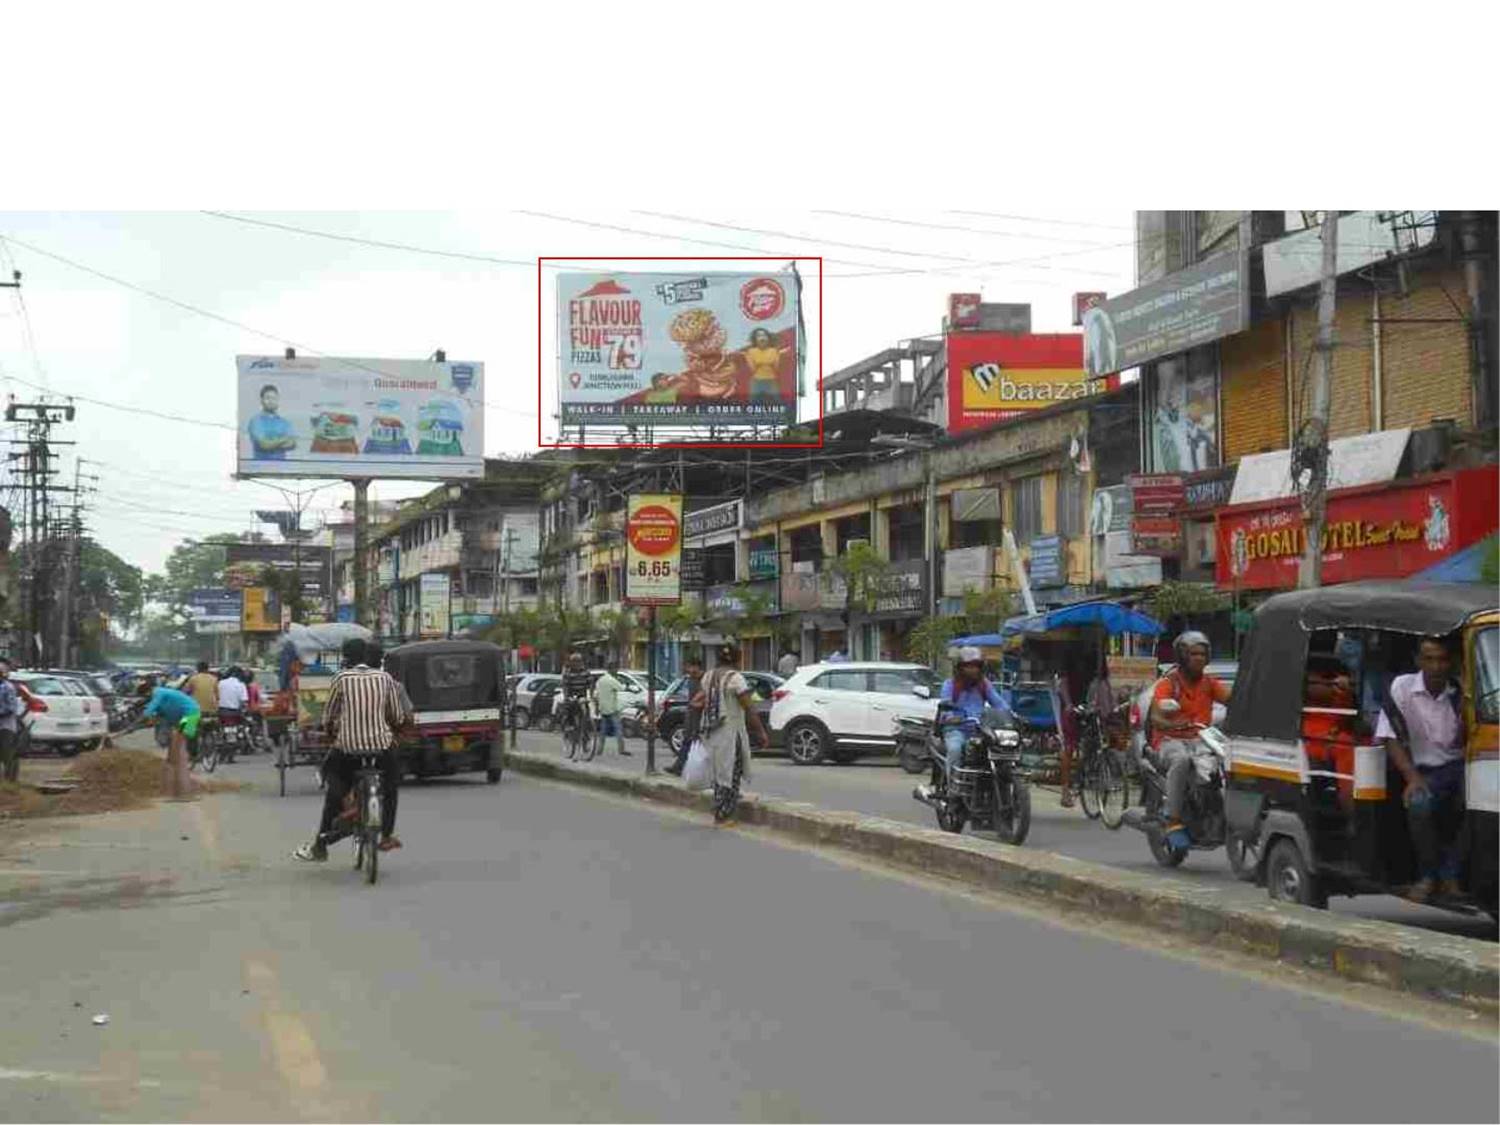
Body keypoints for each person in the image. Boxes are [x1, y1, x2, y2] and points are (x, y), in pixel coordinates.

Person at [294, 638, 412, 862]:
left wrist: (331, 733)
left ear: (346, 659)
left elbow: (328, 716)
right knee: (391, 786)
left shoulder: (341, 679)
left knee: (334, 790)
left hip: (349, 749)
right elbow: (397, 717)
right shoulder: (385, 679)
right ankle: (386, 835)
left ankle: (320, 845)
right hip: (381, 747)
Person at [1375, 635, 1467, 903]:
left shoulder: (1460, 691)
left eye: (1442, 660)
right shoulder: (1402, 687)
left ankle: (1450, 874)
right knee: (1419, 804)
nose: (1436, 667)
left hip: (1458, 766)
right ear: (1418, 661)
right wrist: (1412, 777)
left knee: (1480, 806)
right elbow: (1389, 735)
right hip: (1422, 770)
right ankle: (1428, 875)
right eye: (1429, 659)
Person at [1149, 631, 1232, 852]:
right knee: (1183, 761)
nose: (1199, 658)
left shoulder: (1209, 683)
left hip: (1201, 739)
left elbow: (1231, 700)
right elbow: (1156, 715)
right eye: (1193, 654)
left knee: (1226, 762)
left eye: (1203, 654)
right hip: (1170, 740)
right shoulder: (1169, 683)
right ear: (1182, 656)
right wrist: (1170, 725)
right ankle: (1173, 818)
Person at [699, 642, 770, 826]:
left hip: (712, 732)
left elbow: (701, 699)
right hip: (731, 732)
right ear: (738, 659)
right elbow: (749, 707)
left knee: (719, 772)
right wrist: (761, 732)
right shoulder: (735, 679)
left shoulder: (708, 676)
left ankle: (719, 807)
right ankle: (723, 815)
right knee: (732, 771)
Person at [925, 647, 1009, 795]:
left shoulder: (984, 685)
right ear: (960, 668)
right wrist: (952, 717)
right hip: (956, 729)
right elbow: (945, 706)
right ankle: (953, 788)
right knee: (955, 749)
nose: (972, 670)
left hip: (979, 730)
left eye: (976, 666)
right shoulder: (949, 685)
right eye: (968, 666)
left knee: (999, 751)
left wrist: (1011, 716)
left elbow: (999, 703)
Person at [142, 682, 201, 800]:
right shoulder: (165, 696)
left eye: (147, 696)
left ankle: (183, 792)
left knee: (178, 751)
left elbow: (149, 711)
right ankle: (180, 791)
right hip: (186, 715)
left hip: (189, 715)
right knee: (177, 750)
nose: (148, 698)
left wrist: (144, 717)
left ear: (149, 691)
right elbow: (160, 715)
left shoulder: (159, 692)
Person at [665, 652, 706, 776]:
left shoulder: (705, 679)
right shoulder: (691, 679)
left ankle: (701, 771)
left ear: (698, 667)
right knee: (687, 740)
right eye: (688, 667)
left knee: (700, 743)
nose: (689, 670)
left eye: (691, 667)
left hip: (702, 715)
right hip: (691, 714)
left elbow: (707, 694)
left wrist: (698, 703)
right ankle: (679, 767)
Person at [559, 652, 593, 760]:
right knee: (569, 710)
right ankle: (569, 728)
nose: (577, 664)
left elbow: (590, 684)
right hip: (571, 695)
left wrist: (590, 695)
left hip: (582, 696)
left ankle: (586, 738)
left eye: (579, 661)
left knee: (586, 716)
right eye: (575, 662)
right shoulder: (568, 673)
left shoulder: (586, 672)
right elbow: (565, 685)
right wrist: (567, 697)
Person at [247, 384, 297, 460]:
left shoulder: (284, 422)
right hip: (260, 468)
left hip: (281, 468)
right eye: (267, 398)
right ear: (261, 400)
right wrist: (283, 440)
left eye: (274, 398)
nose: (271, 401)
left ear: (277, 400)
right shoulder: (256, 421)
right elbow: (264, 444)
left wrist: (271, 443)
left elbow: (292, 444)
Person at [594, 660, 629, 758]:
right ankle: (621, 749)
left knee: (602, 732)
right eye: (616, 669)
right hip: (612, 709)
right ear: (612, 669)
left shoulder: (600, 680)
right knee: (618, 730)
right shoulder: (612, 680)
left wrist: (597, 707)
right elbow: (621, 688)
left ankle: (599, 750)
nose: (617, 671)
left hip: (603, 708)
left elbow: (596, 695)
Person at [745, 327, 788, 403]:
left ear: (768, 338)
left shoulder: (774, 351)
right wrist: (767, 361)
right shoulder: (751, 352)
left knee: (778, 403)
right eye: (759, 336)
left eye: (764, 335)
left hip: (771, 381)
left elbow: (776, 368)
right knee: (753, 405)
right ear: (755, 339)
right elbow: (753, 369)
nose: (762, 338)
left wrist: (778, 355)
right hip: (757, 382)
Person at [0, 657, 21, 784]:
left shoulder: (8, 688)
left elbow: (11, 708)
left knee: (7, 754)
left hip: (6, 727)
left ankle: (10, 782)